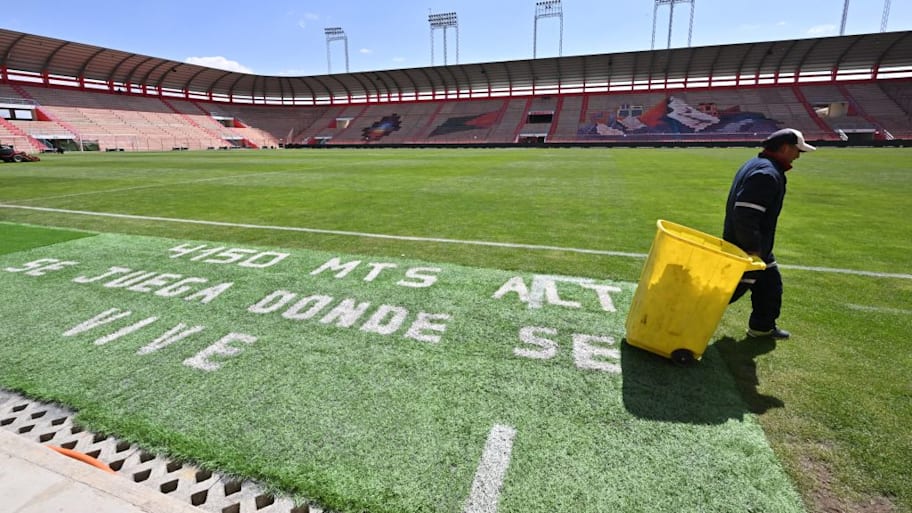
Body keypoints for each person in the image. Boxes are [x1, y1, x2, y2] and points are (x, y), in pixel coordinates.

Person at [724, 128, 816, 339]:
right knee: (727, 292)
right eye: (797, 150)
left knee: (769, 285)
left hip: (751, 243)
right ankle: (678, 314)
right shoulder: (767, 173)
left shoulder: (757, 165)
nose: (798, 155)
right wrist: (753, 248)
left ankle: (762, 326)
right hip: (747, 246)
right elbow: (745, 213)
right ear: (785, 148)